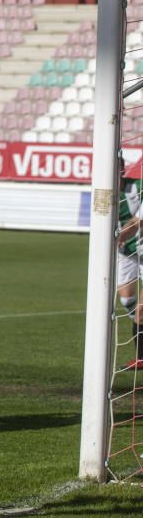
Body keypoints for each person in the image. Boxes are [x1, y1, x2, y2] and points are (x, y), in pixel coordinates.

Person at [115, 158, 143, 370]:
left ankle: (141, 358)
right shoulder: (103, 193)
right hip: (127, 252)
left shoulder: (136, 187)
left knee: (141, 309)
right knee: (127, 300)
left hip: (137, 247)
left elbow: (136, 222)